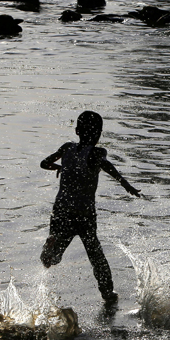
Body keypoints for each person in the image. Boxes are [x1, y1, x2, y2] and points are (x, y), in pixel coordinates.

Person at [40, 111, 141, 304]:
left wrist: (60, 168)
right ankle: (108, 293)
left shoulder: (67, 148)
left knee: (52, 259)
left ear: (77, 130)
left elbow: (44, 163)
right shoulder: (95, 153)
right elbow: (107, 165)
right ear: (99, 134)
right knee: (96, 256)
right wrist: (125, 184)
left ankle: (50, 245)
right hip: (84, 213)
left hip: (61, 210)